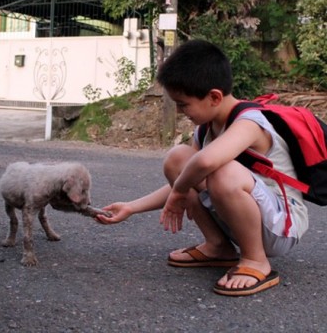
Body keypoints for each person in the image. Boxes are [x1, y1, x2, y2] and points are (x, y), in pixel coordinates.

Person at [97, 39, 308, 296]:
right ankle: (219, 246)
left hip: (281, 226)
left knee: (221, 170)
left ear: (214, 97)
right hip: (247, 217)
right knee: (179, 159)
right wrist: (132, 207)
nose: (180, 111)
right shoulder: (205, 130)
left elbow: (206, 164)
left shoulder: (250, 123)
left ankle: (255, 260)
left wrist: (179, 191)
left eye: (183, 104)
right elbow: (185, 176)